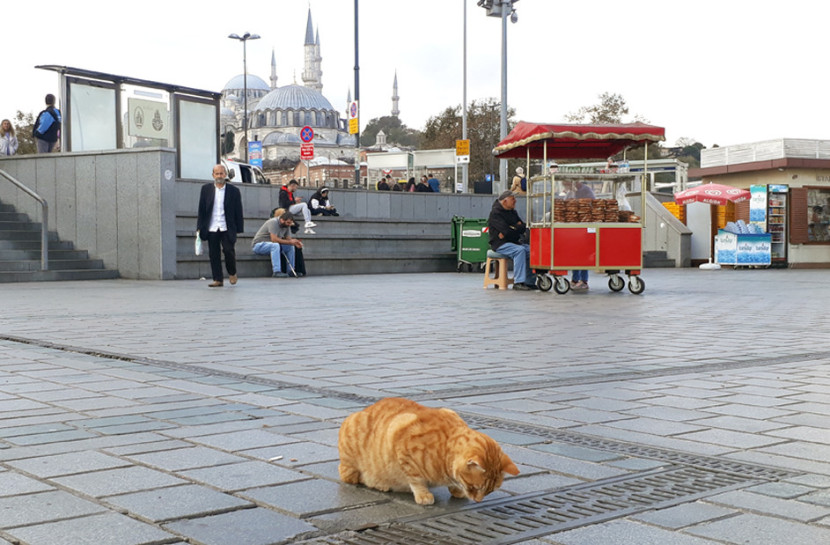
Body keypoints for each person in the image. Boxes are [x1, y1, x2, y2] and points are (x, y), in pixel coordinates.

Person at [196, 164, 244, 288]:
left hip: (227, 226)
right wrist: (199, 227)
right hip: (211, 226)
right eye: (217, 174)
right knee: (214, 254)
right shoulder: (206, 189)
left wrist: (239, 227)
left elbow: (238, 210)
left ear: (225, 174)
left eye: (221, 173)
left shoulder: (233, 191)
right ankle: (218, 279)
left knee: (228, 251)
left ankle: (232, 272)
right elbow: (202, 210)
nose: (219, 176)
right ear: (213, 175)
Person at [488, 190, 537, 291]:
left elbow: (522, 227)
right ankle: (518, 282)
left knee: (533, 250)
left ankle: (530, 281)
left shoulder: (512, 212)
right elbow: (507, 231)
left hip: (514, 242)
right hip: (500, 244)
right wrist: (515, 228)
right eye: (512, 199)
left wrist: (513, 228)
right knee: (519, 251)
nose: (515, 201)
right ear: (505, 201)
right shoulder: (495, 214)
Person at [252, 209, 304, 277]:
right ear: (282, 220)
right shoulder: (273, 222)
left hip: (272, 245)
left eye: (290, 223)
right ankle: (276, 271)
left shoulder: (287, 225)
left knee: (290, 247)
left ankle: (291, 270)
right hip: (259, 245)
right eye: (288, 223)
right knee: (275, 245)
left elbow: (288, 239)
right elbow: (274, 239)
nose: (289, 225)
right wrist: (289, 241)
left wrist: (295, 242)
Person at [570, 180, 596, 290]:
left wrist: (578, 202)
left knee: (583, 254)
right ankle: (575, 279)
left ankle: (583, 280)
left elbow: (592, 202)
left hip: (585, 224)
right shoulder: (572, 191)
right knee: (576, 254)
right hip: (577, 225)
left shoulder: (586, 190)